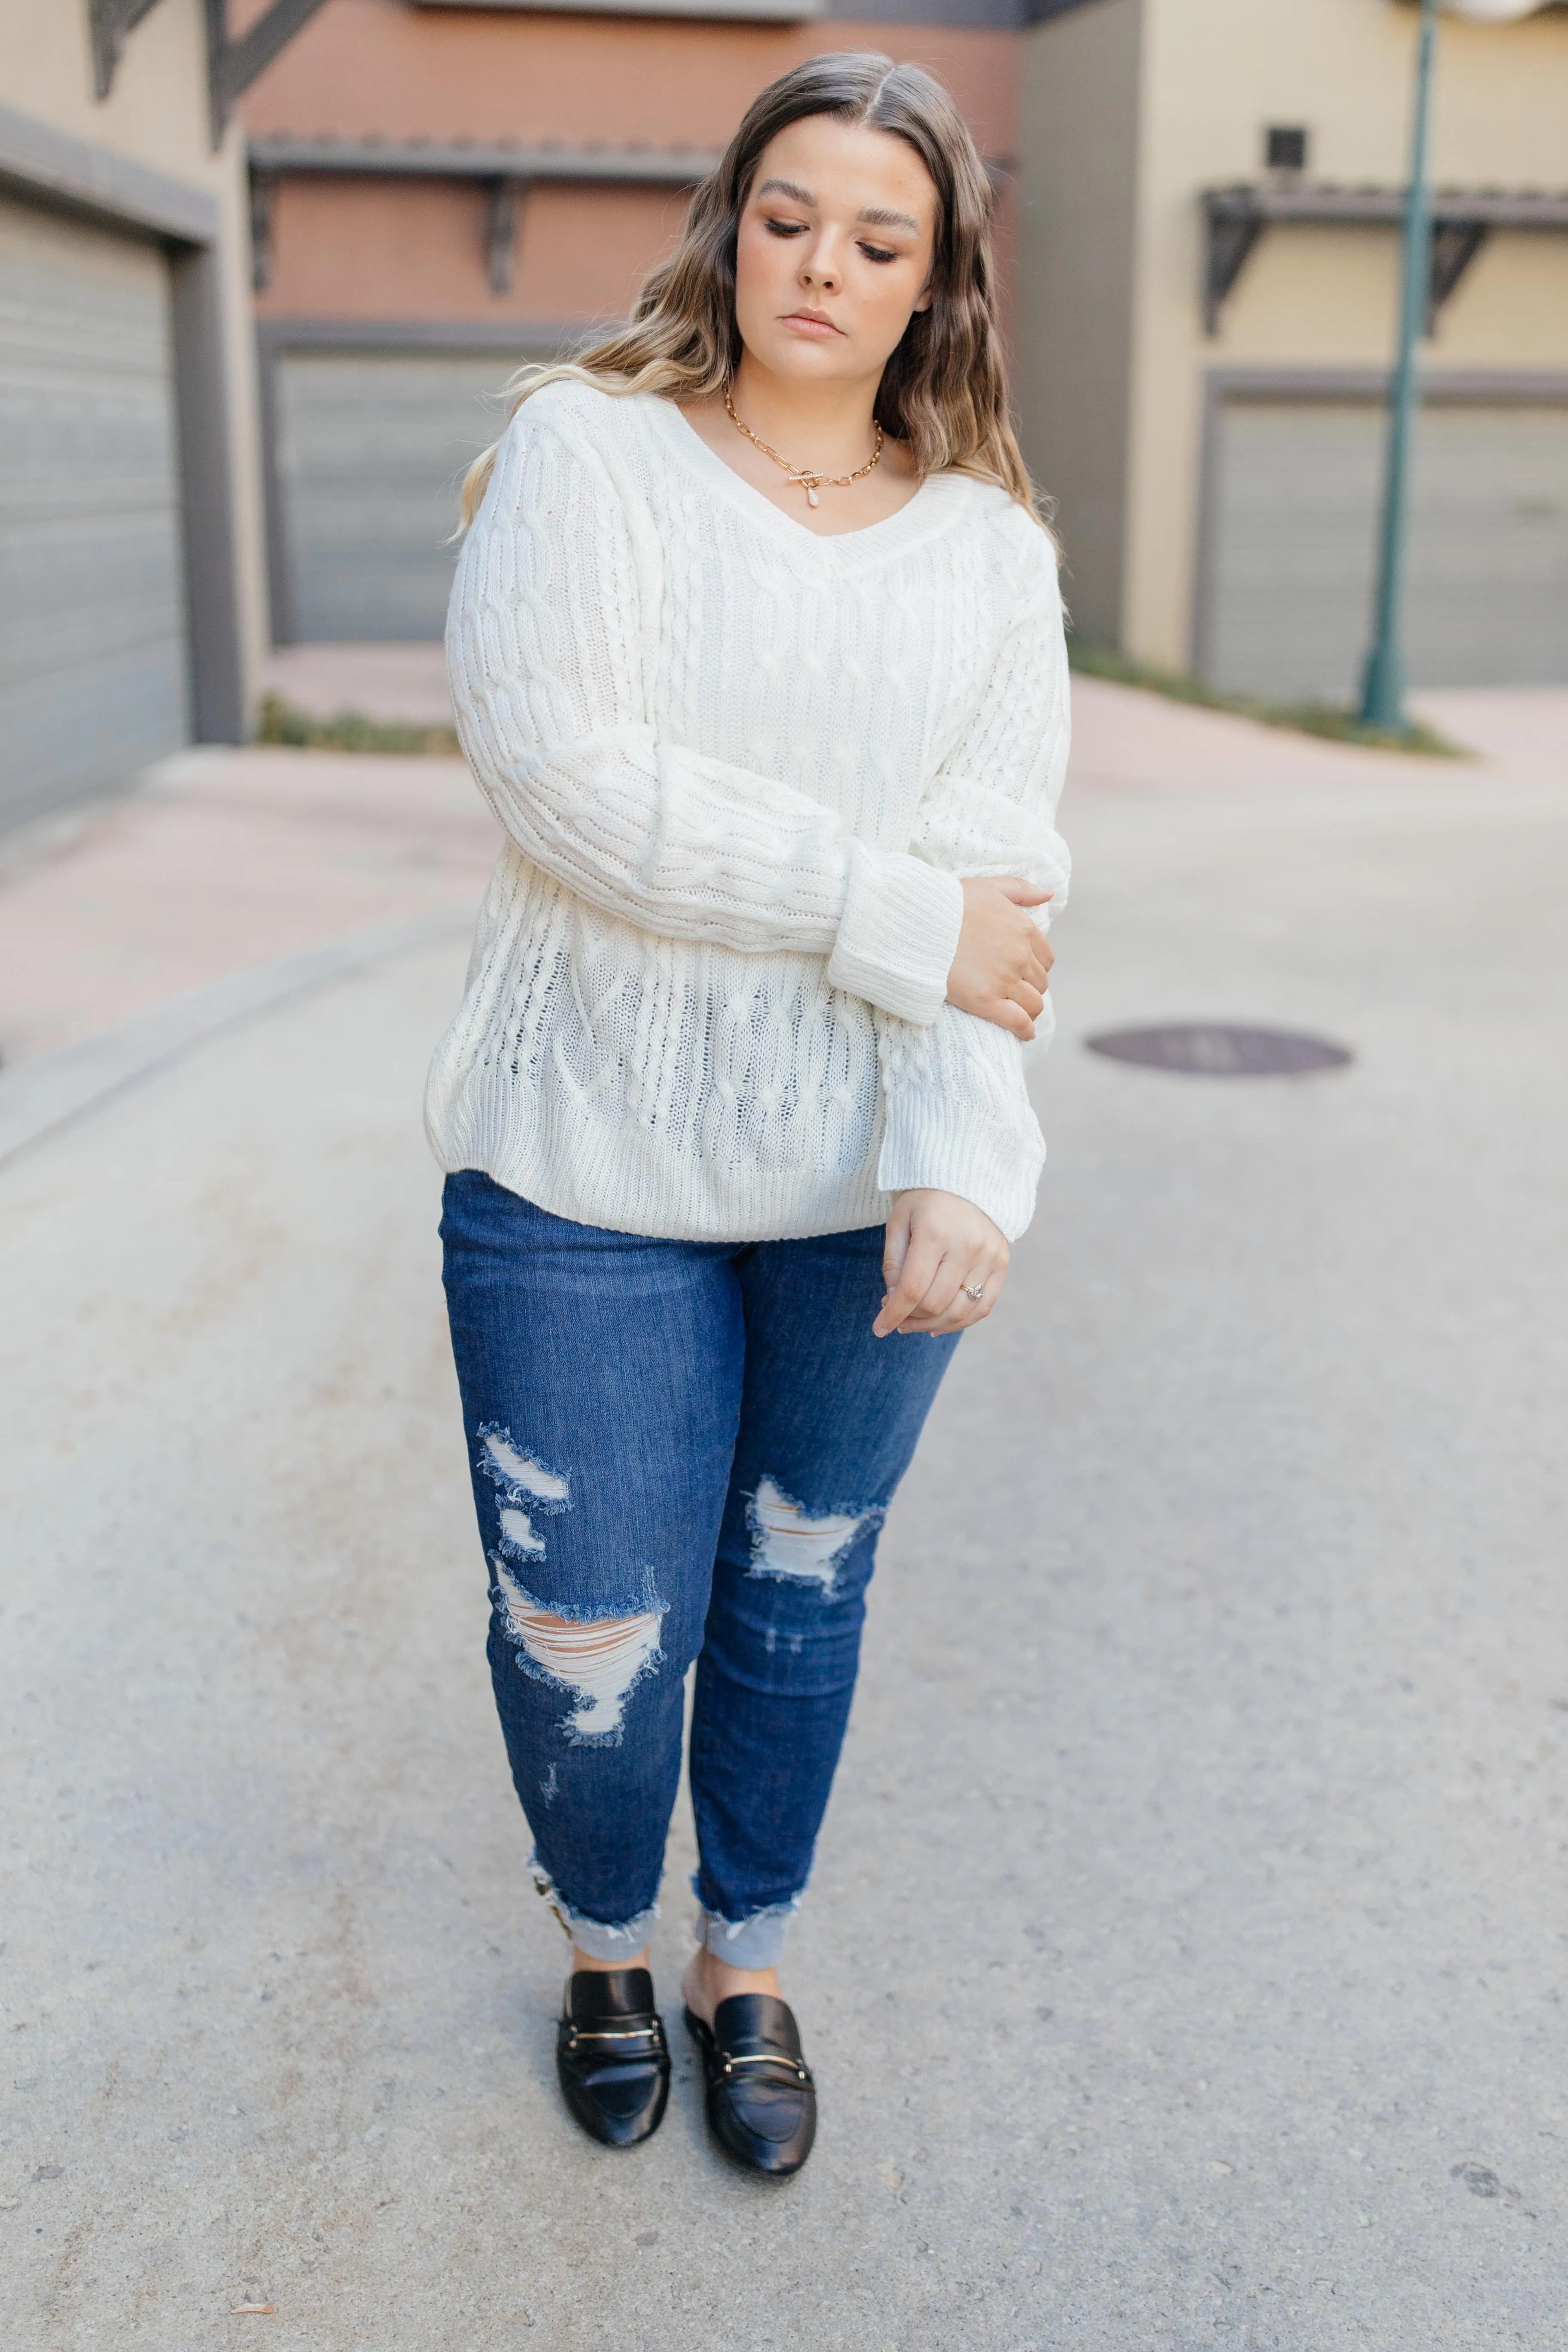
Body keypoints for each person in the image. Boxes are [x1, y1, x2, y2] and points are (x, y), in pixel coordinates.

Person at [429, 50, 1070, 2179]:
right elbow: (573, 789)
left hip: (856, 1187)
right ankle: (607, 1938)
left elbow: (1010, 897)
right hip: (576, 1164)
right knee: (592, 1622)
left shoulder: (989, 554)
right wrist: (897, 915)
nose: (824, 264)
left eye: (879, 240)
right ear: (730, 221)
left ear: (936, 286)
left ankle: (745, 1956)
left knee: (799, 1592)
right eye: (790, 215)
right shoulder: (584, 456)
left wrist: (967, 1154)